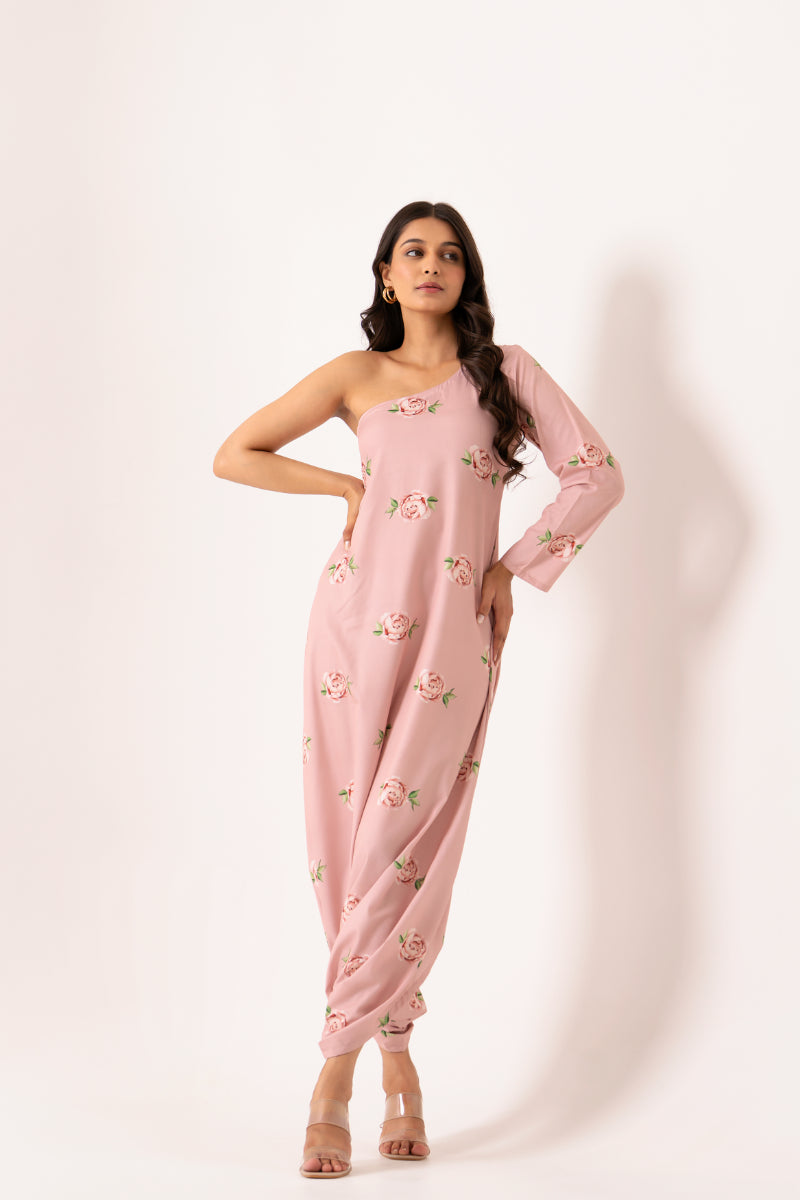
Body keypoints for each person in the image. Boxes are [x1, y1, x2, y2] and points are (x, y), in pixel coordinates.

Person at [212, 200, 625, 1178]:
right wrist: (343, 488)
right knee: (349, 849)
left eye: (449, 254)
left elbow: (596, 475)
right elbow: (234, 454)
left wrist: (513, 566)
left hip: (453, 636)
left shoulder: (505, 373)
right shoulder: (354, 376)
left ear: (466, 275)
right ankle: (396, 1059)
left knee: (404, 842)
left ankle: (334, 1076)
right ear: (386, 274)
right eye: (413, 251)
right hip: (349, 628)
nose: (431, 265)